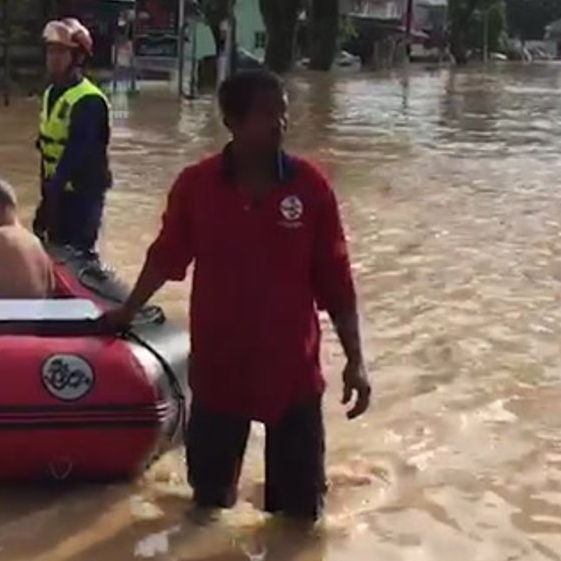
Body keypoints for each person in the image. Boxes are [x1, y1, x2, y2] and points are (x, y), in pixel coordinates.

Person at [100, 71, 372, 522]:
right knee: (208, 508)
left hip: (292, 373)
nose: (279, 123)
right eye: (267, 113)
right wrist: (127, 310)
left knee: (300, 520)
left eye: (283, 111)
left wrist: (356, 361)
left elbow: (337, 282)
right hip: (219, 370)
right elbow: (166, 257)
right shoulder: (197, 186)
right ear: (231, 120)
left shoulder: (310, 187)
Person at [34, 18, 112, 254]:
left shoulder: (89, 101)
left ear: (77, 58)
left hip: (82, 198)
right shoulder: (51, 94)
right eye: (50, 52)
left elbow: (75, 154)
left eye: (61, 52)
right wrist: (46, 200)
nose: (53, 58)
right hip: (57, 193)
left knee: (77, 255)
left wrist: (49, 201)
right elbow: (46, 148)